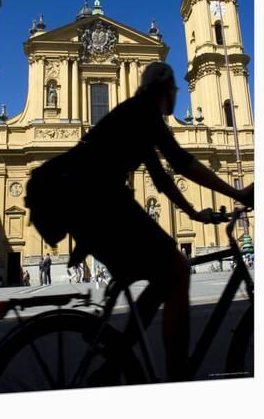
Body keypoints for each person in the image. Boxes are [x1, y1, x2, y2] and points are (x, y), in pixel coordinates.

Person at [60, 61, 254, 382]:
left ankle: (118, 355)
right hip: (96, 199)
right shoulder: (146, 112)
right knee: (177, 267)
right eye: (175, 88)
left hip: (86, 200)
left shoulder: (136, 114)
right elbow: (181, 162)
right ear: (166, 89)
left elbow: (161, 178)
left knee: (165, 274)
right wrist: (237, 193)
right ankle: (176, 376)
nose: (176, 93)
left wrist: (193, 213)